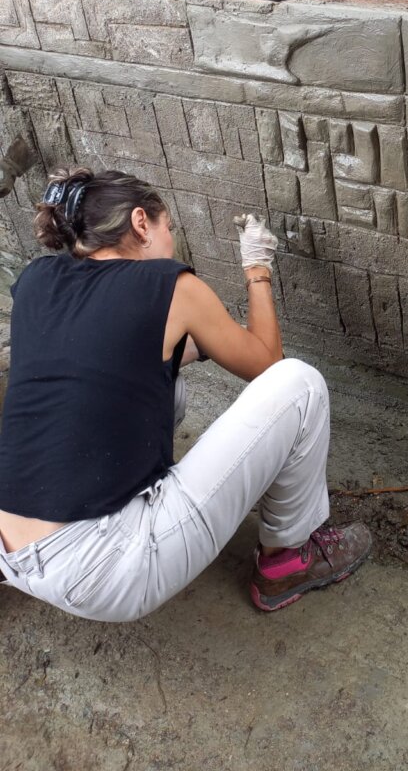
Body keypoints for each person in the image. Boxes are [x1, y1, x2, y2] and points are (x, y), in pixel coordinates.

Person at [0, 167, 371, 621]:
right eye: (168, 227)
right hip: (104, 571)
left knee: (167, 384)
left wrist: (210, 340)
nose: (170, 240)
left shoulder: (37, 280)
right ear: (141, 223)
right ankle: (286, 564)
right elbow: (268, 365)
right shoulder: (168, 284)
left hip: (12, 545)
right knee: (301, 385)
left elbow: (115, 357)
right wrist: (257, 270)